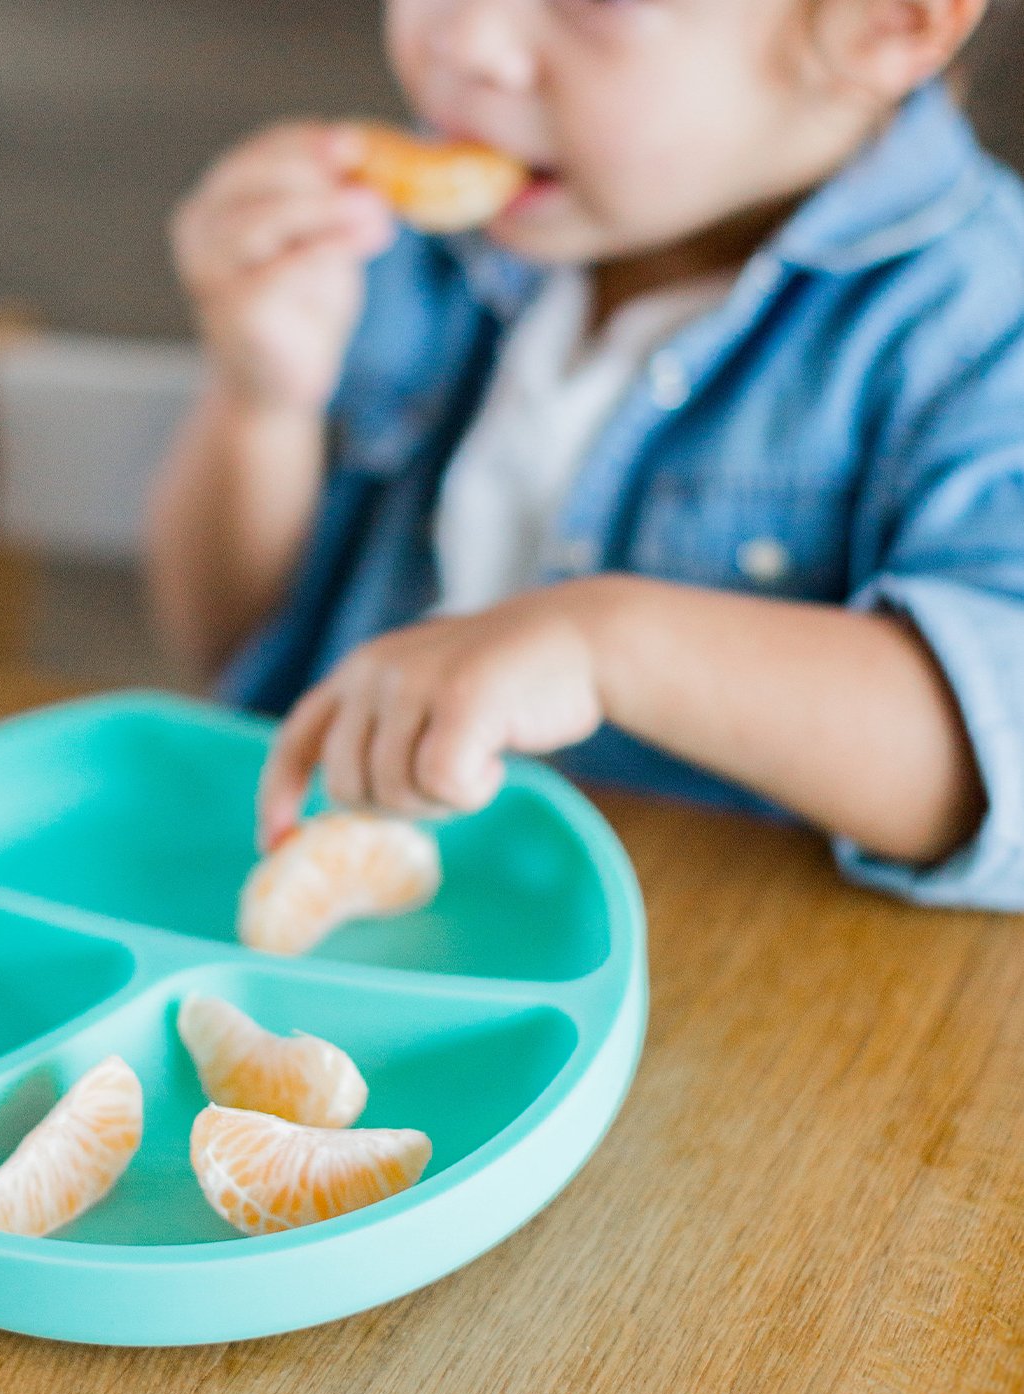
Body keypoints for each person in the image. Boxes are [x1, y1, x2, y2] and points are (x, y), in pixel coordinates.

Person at [147, 0, 1024, 910]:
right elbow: (238, 651)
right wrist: (262, 402)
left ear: (890, 23)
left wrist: (605, 644)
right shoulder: (409, 245)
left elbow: (999, 752)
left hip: (734, 988)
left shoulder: (985, 327)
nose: (462, 40)